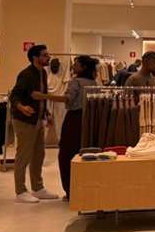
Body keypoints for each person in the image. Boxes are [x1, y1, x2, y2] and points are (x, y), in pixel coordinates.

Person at [8, 43, 60, 202]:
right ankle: (20, 191)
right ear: (35, 58)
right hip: (24, 120)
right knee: (23, 155)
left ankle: (38, 188)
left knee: (39, 154)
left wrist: (47, 114)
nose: (48, 57)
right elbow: (14, 95)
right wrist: (22, 107)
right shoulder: (25, 74)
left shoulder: (43, 73)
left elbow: (41, 97)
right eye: (45, 55)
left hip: (38, 119)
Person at [47, 55, 97, 202]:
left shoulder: (76, 82)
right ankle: (84, 188)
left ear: (83, 67)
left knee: (67, 154)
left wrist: (46, 96)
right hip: (90, 120)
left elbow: (68, 99)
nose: (73, 66)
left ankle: (70, 190)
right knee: (85, 153)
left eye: (76, 64)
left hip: (74, 119)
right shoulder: (94, 82)